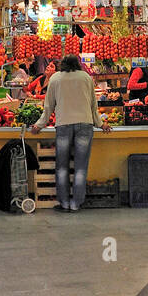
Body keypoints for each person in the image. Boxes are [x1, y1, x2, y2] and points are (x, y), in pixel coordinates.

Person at [31, 54, 111, 212]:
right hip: (85, 125)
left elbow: (48, 107)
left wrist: (39, 125)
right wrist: (101, 124)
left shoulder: (55, 78)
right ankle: (76, 204)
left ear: (62, 65)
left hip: (63, 125)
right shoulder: (86, 77)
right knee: (81, 167)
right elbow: (93, 105)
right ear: (78, 64)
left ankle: (64, 202)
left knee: (62, 167)